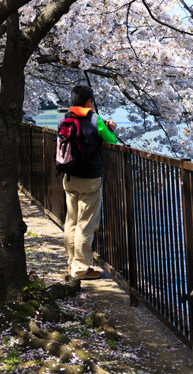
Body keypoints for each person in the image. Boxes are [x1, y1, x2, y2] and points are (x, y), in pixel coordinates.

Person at [61, 84, 116, 282]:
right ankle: (81, 269)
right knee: (85, 225)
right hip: (90, 180)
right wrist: (110, 128)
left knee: (71, 222)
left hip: (69, 178)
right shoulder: (95, 120)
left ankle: (71, 263)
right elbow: (112, 141)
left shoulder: (64, 119)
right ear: (89, 101)